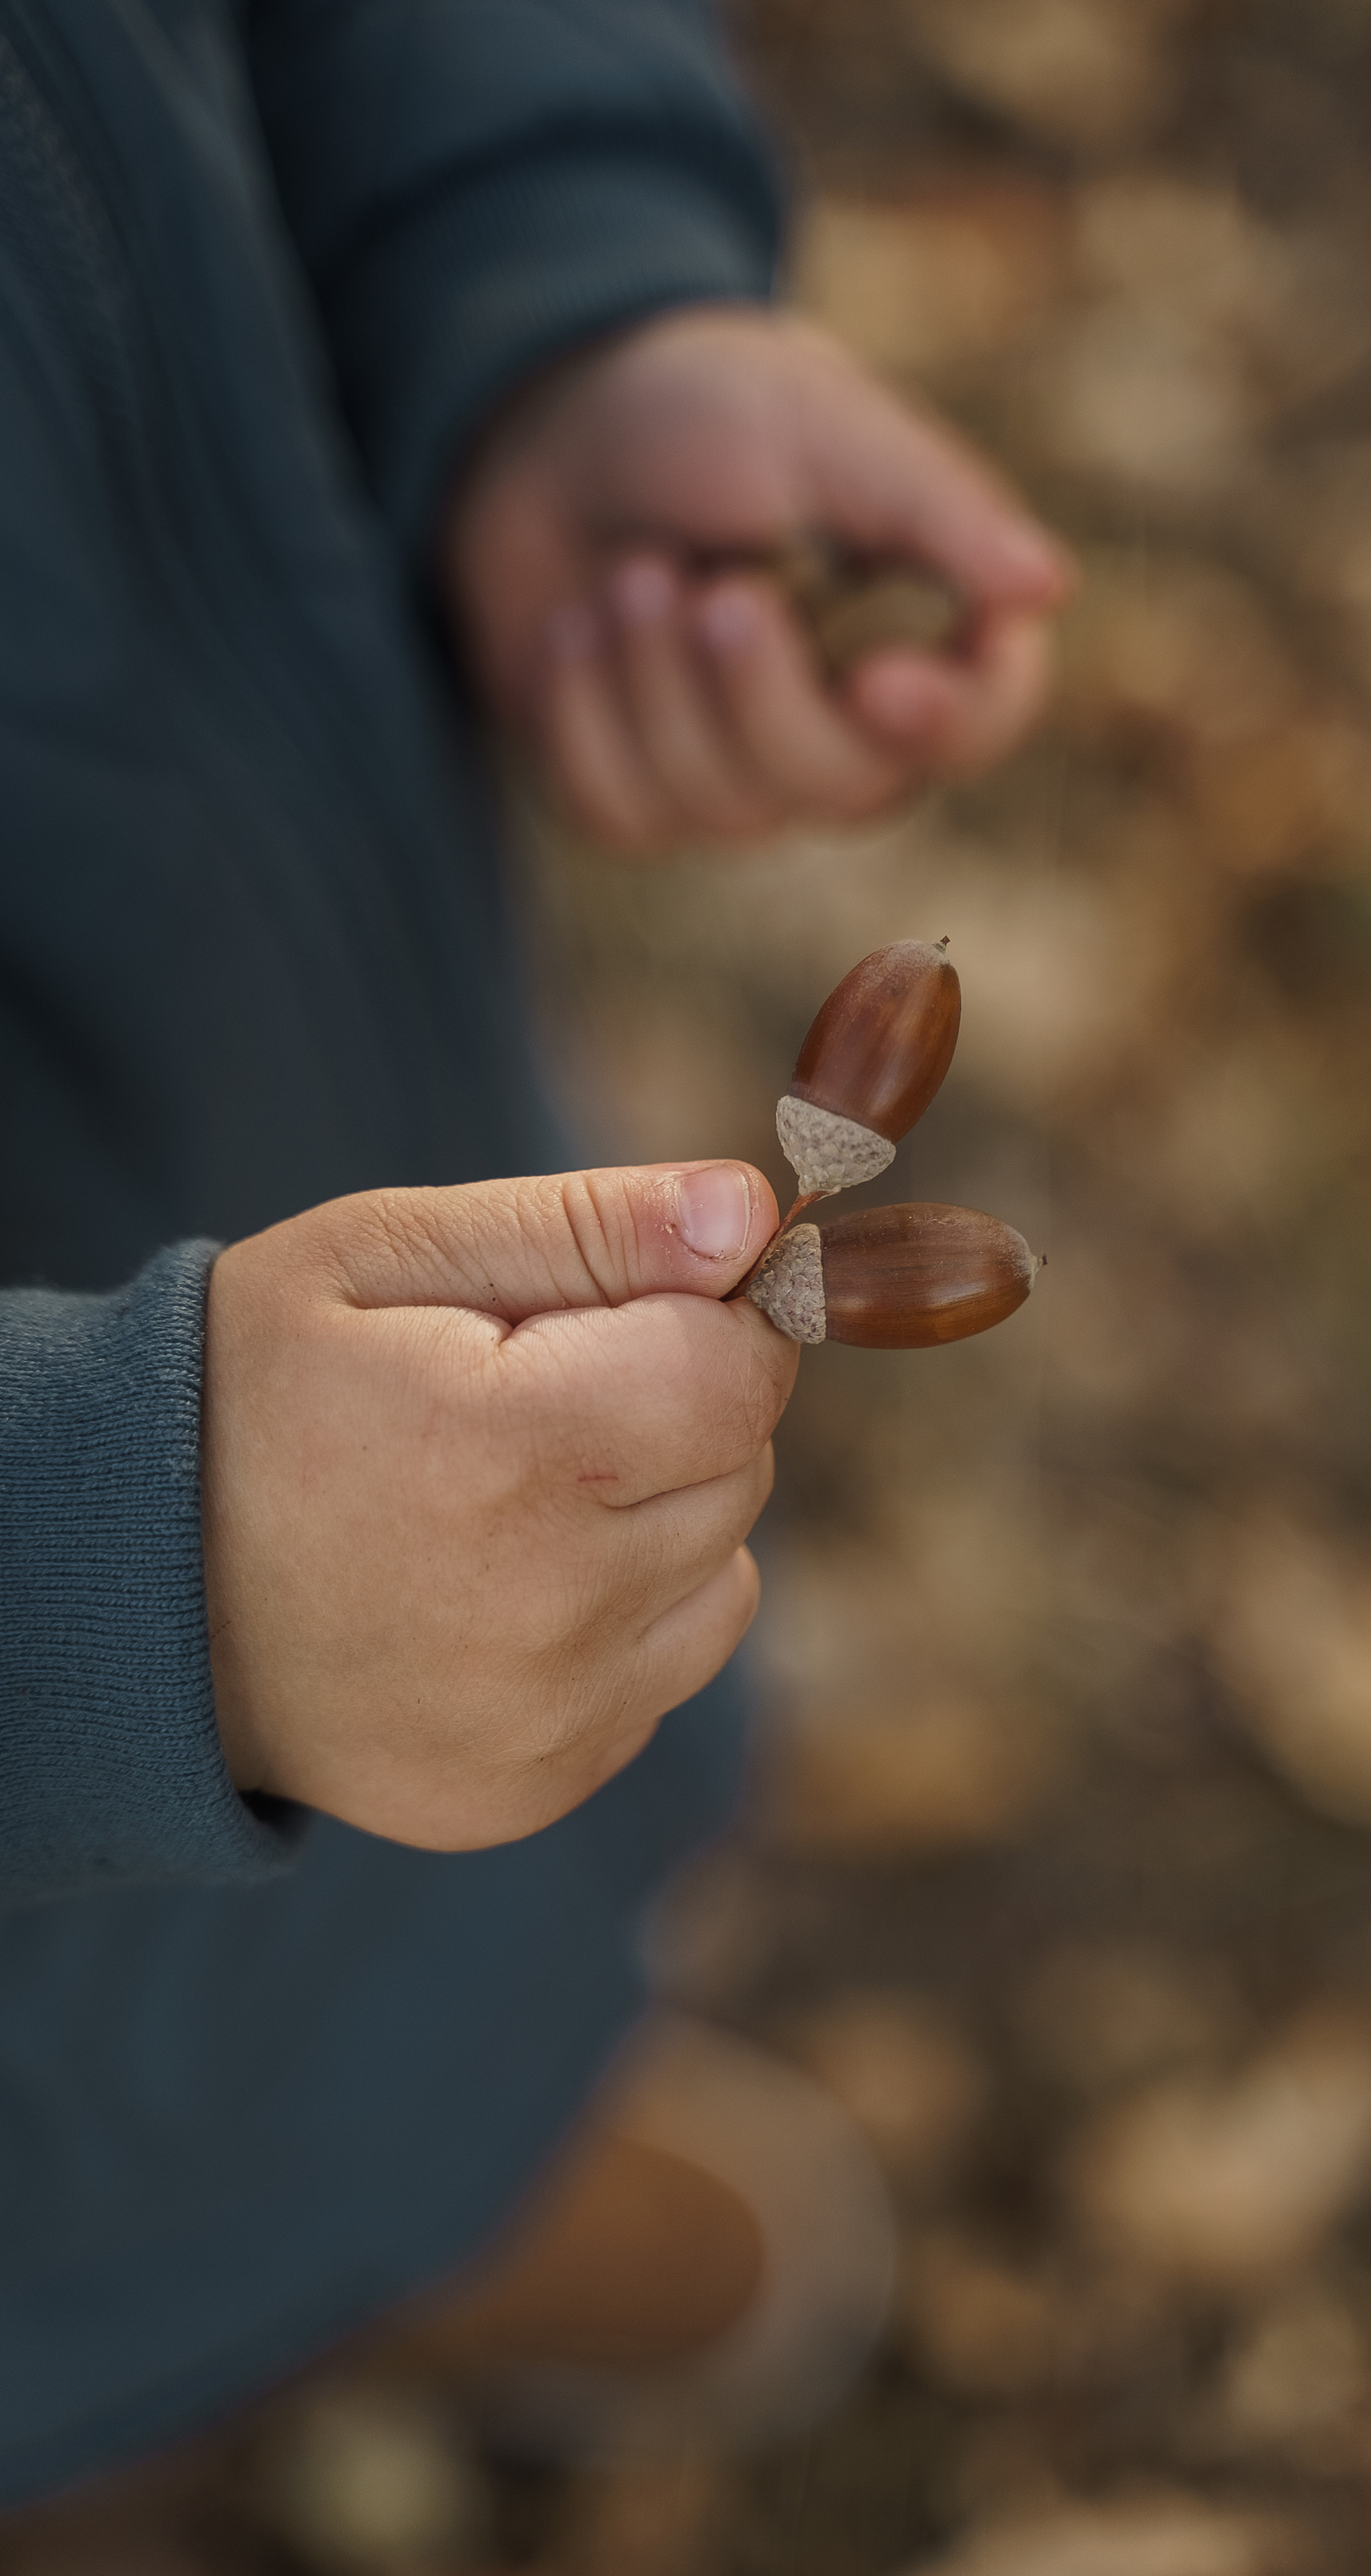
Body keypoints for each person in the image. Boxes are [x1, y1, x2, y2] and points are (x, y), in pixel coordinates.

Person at [0, 0, 1066, 2508]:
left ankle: (390, 2180)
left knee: (348, 1960)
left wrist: (548, 281)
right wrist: (95, 1564)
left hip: (253, 971)